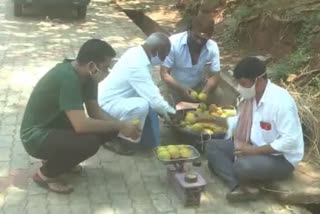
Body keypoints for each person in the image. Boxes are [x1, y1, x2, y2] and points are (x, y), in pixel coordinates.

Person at [20, 39, 140, 194]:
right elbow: (81, 125)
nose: (107, 72)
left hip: (57, 127)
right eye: (105, 67)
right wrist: (120, 125)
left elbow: (95, 112)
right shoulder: (68, 77)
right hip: (36, 137)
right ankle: (45, 175)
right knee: (89, 143)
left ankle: (61, 161)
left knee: (110, 130)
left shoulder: (88, 77)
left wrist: (122, 125)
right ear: (91, 66)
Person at [201, 57, 304, 201]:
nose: (239, 87)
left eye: (243, 83)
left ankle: (239, 176)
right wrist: (209, 119)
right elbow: (239, 122)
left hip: (281, 159)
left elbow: (290, 141)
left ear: (258, 80)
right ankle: (242, 187)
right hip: (252, 147)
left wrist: (254, 151)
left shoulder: (280, 102)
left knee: (241, 166)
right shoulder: (249, 98)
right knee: (212, 146)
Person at [98, 32, 176, 154]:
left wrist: (164, 110)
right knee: (141, 105)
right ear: (155, 50)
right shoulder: (137, 64)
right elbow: (154, 100)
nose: (164, 60)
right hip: (105, 106)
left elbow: (149, 89)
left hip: (113, 100)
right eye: (163, 55)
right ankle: (117, 140)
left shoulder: (137, 53)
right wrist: (172, 113)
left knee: (146, 103)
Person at [160, 14, 222, 105]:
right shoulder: (173, 43)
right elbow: (164, 74)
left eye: (204, 39)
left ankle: (202, 115)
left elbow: (216, 75)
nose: (199, 42)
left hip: (198, 86)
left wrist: (206, 91)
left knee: (218, 94)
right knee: (163, 99)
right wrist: (181, 90)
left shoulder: (212, 47)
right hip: (175, 86)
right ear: (189, 30)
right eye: (196, 37)